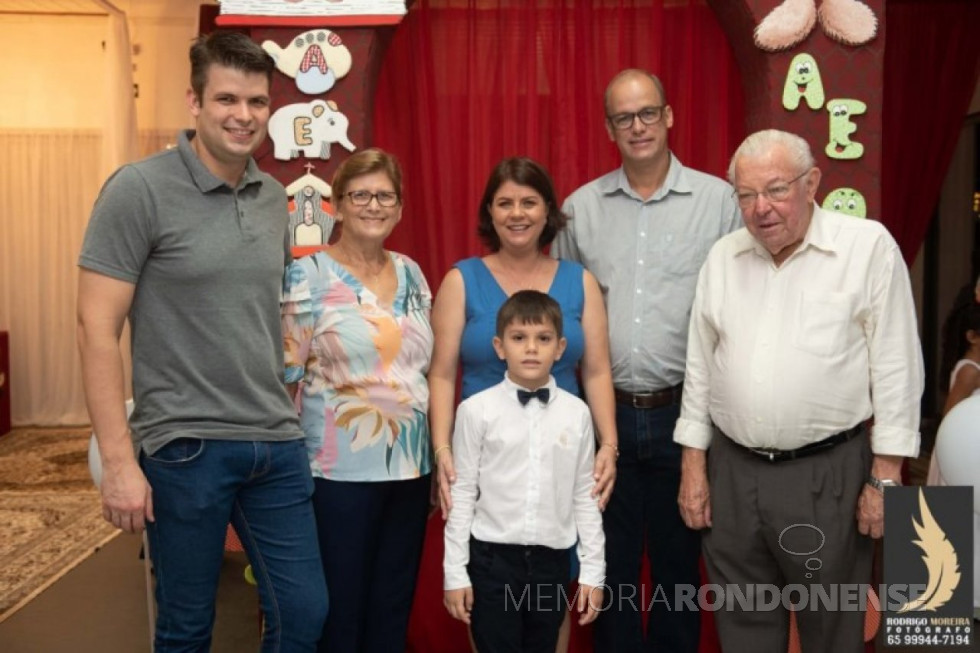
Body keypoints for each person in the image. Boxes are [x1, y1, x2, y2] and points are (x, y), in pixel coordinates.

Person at [76, 31, 327, 651]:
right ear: (193, 102)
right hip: (184, 445)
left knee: (304, 613)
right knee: (186, 629)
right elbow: (96, 329)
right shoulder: (138, 189)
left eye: (257, 102)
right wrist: (119, 463)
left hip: (274, 440)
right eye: (227, 99)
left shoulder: (273, 197)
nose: (244, 116)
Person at [675, 129, 924, 652]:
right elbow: (700, 366)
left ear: (811, 183)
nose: (761, 208)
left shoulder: (867, 248)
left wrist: (885, 477)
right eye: (746, 195)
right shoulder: (723, 257)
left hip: (827, 476)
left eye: (776, 190)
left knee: (833, 630)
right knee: (742, 628)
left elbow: (898, 366)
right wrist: (694, 465)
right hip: (733, 475)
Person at [551, 68, 741, 652]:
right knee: (606, 570)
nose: (638, 127)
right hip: (603, 415)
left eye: (648, 113)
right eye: (624, 118)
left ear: (669, 116)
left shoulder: (719, 203)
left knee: (679, 572)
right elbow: (562, 316)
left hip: (684, 414)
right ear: (609, 127)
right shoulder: (581, 209)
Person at [428, 156, 617, 651]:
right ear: (489, 212)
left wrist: (609, 444)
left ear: (548, 210)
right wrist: (442, 451)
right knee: (490, 597)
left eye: (529, 202)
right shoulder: (461, 279)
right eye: (505, 202)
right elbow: (443, 373)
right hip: (487, 460)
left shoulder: (581, 281)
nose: (518, 213)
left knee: (551, 595)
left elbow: (596, 370)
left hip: (559, 458)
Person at [281, 148, 433, 653]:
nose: (374, 205)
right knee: (341, 612)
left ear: (400, 207)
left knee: (392, 607)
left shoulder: (412, 272)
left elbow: (422, 368)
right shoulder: (308, 275)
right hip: (337, 475)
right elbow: (285, 380)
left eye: (385, 195)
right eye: (360, 194)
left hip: (411, 470)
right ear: (337, 207)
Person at [443, 290, 605, 652]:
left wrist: (593, 572)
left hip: (552, 563)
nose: (531, 348)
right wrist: (455, 572)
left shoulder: (578, 413)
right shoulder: (475, 411)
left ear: (560, 348)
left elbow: (585, 495)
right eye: (519, 338)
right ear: (500, 347)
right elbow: (462, 492)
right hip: (491, 561)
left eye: (543, 339)